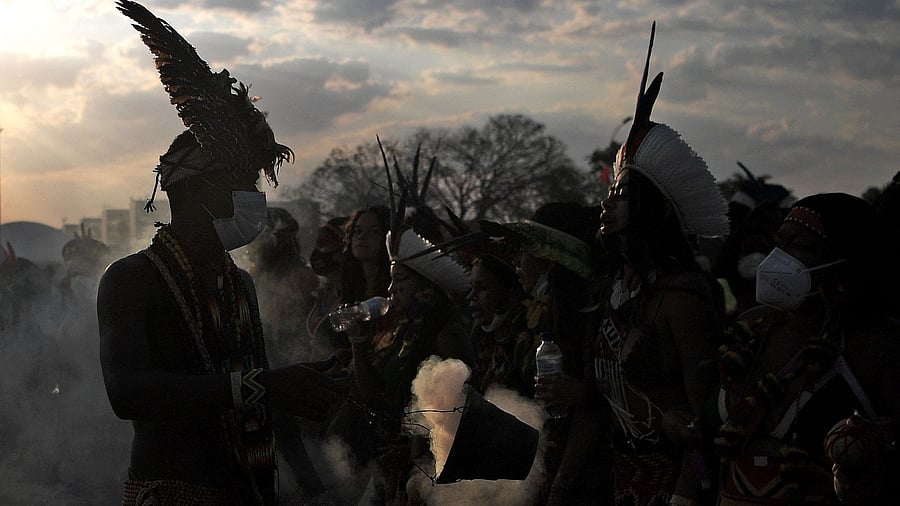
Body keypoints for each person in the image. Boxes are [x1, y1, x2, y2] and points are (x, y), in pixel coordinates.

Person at [100, 3, 340, 504]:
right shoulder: (131, 280)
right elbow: (127, 393)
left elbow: (261, 393)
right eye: (241, 183)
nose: (254, 197)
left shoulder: (240, 283)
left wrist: (309, 391)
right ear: (195, 191)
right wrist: (264, 387)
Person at [587, 23, 729, 506]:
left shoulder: (682, 295)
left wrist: (684, 497)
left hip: (671, 483)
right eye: (609, 193)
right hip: (619, 473)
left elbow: (705, 412)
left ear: (651, 209)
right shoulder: (613, 286)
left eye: (621, 194)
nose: (607, 205)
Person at [715, 193, 900, 505]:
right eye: (780, 242)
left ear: (844, 259)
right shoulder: (750, 329)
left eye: (801, 245)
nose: (779, 257)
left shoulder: (875, 343)